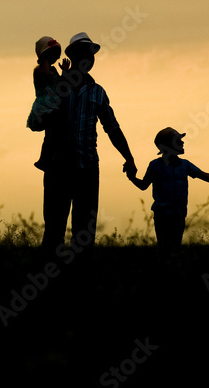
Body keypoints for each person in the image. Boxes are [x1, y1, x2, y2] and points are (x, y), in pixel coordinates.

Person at [40, 32, 136, 251]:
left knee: (84, 235)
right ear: (74, 57)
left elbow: (113, 128)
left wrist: (128, 157)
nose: (90, 60)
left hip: (87, 169)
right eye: (86, 55)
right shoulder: (56, 86)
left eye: (92, 56)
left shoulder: (98, 92)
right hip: (58, 167)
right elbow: (41, 118)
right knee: (54, 231)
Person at [126, 127, 209, 248]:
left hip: (179, 214)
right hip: (162, 215)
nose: (182, 143)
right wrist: (131, 177)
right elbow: (143, 185)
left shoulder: (185, 164)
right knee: (165, 248)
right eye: (178, 141)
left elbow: (204, 176)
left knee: (174, 247)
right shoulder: (155, 165)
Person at [27, 36, 69, 170]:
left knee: (53, 132)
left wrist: (64, 71)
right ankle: (45, 159)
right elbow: (45, 78)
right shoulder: (39, 71)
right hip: (45, 105)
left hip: (54, 103)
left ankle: (49, 158)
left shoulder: (53, 70)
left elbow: (61, 84)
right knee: (51, 133)